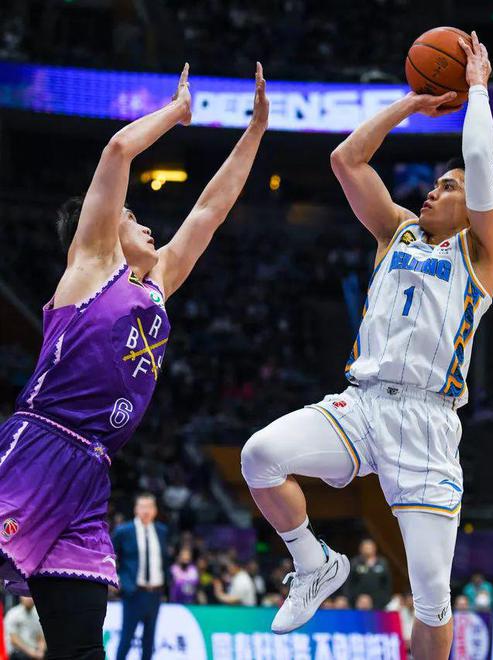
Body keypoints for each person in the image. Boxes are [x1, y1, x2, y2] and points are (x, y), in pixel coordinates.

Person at [241, 30, 493, 660]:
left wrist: (476, 90)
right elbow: (346, 160)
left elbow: (478, 165)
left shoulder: (483, 252)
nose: (432, 192)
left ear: (470, 206)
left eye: (447, 188)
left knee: (432, 599)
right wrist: (413, 103)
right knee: (259, 456)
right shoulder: (396, 231)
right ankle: (313, 563)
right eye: (434, 185)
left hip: (428, 424)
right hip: (362, 403)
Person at [0, 62, 269, 658]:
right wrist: (176, 112)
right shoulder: (91, 264)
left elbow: (210, 210)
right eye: (130, 216)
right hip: (42, 444)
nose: (145, 223)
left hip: (92, 470)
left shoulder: (158, 283)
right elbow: (119, 150)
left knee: (80, 644)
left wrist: (255, 132)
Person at [113, 494, 169, 660]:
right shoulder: (124, 531)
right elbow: (110, 556)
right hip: (134, 592)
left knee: (149, 639)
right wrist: (119, 580)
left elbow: (165, 560)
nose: (146, 511)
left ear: (155, 510)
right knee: (127, 637)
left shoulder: (162, 531)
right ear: (136, 509)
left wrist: (166, 585)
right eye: (142, 507)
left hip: (155, 593)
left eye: (149, 507)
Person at [347, 538, 392, 609]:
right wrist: (355, 599)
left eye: (370, 547)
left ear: (375, 548)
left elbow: (387, 584)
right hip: (358, 601)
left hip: (378, 602)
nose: (367, 550)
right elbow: (349, 583)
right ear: (361, 549)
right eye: (365, 547)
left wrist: (382, 601)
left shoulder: (382, 563)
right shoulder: (355, 563)